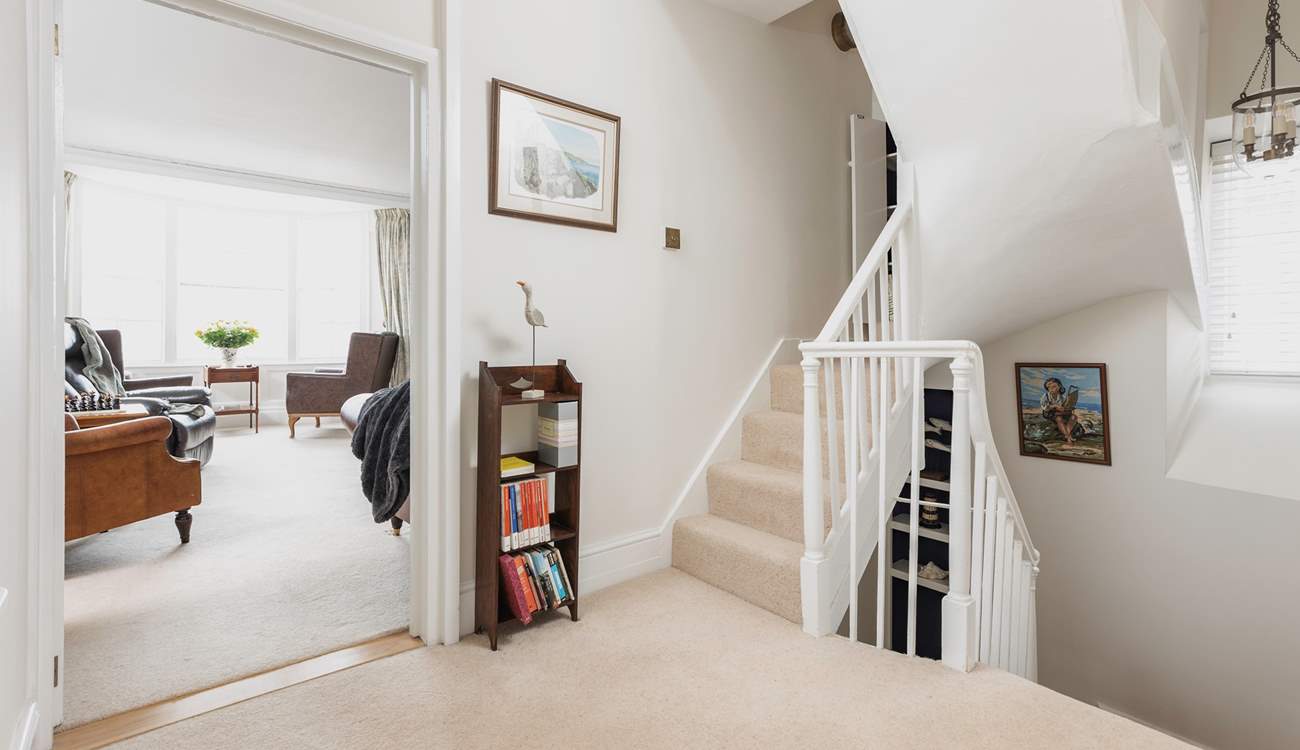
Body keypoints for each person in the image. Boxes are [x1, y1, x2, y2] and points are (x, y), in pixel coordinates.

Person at [1039, 377, 1078, 446]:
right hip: (1049, 413)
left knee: (1074, 417)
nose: (1052, 389)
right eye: (1049, 387)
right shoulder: (1045, 396)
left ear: (1059, 386)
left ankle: (1066, 434)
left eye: (1054, 386)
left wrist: (1068, 407)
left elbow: (1063, 406)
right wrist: (1054, 406)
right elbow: (1044, 407)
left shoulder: (1061, 397)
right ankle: (1068, 438)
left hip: (1059, 412)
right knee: (1059, 418)